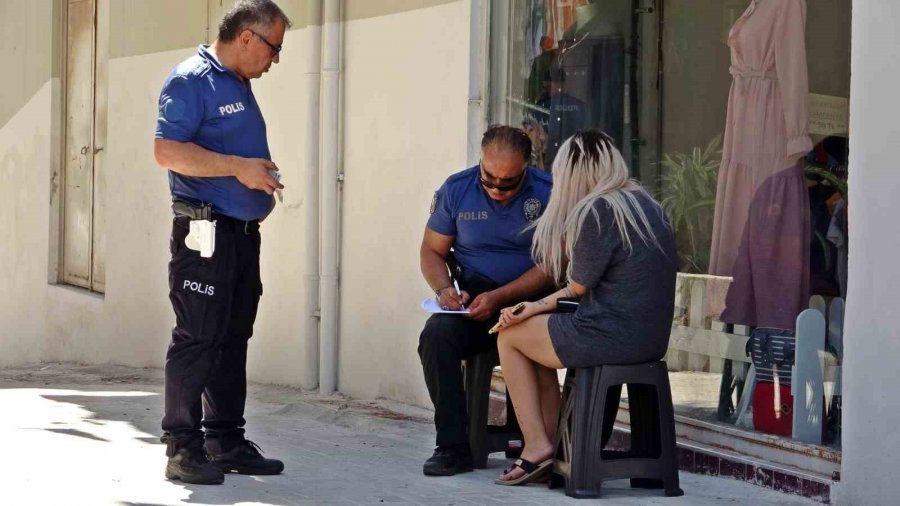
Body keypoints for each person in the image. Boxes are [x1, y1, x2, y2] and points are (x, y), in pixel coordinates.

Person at [153, 0, 290, 485]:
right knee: (198, 337)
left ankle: (225, 439)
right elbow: (166, 151)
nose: (276, 59)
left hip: (239, 234)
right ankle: (183, 447)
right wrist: (238, 168)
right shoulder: (191, 80)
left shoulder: (237, 82)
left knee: (233, 339)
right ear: (248, 37)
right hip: (204, 235)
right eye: (274, 48)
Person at [491, 130, 677, 485]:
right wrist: (535, 310)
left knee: (511, 336)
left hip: (608, 335)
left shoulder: (599, 209)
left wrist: (530, 307)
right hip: (649, 339)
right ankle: (552, 443)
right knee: (534, 339)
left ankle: (536, 446)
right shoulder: (647, 205)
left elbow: (576, 287)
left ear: (574, 172)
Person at [418, 125, 554, 476]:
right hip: (476, 299)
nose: (495, 188)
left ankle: (543, 442)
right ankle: (452, 446)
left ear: (526, 167)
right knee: (435, 337)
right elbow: (432, 251)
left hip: (530, 304)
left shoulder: (549, 192)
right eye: (488, 177)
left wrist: (501, 298)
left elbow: (553, 267)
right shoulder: (457, 189)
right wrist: (445, 290)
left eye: (507, 182)